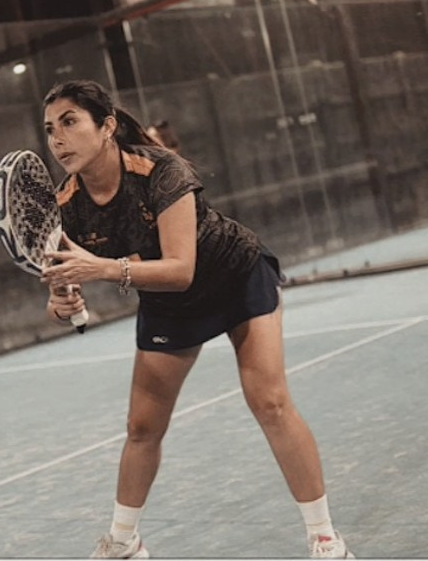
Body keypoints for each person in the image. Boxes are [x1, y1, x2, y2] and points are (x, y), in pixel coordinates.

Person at [40, 80, 354, 559]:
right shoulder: (66, 207)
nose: (58, 139)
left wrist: (102, 269)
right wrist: (61, 305)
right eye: (49, 129)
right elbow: (60, 295)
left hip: (235, 278)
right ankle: (124, 542)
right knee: (142, 426)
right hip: (168, 304)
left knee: (269, 401)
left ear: (106, 127)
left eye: (69, 122)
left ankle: (325, 537)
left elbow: (180, 268)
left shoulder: (161, 171)